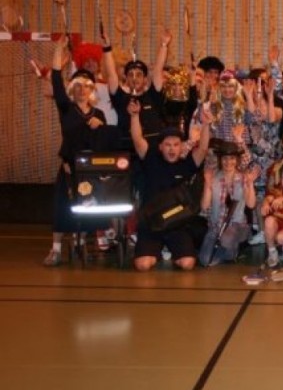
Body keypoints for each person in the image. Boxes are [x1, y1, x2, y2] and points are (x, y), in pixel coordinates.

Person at [42, 37, 120, 266]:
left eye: (87, 86)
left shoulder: (99, 114)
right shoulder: (66, 109)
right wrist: (58, 51)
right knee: (62, 208)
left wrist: (101, 127)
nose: (82, 89)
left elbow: (105, 142)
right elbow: (56, 80)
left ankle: (88, 238)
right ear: (72, 89)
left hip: (92, 170)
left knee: (93, 205)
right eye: (78, 86)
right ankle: (56, 249)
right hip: (69, 169)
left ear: (92, 90)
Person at [128, 98, 212, 271]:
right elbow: (137, 139)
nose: (172, 149)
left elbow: (203, 150)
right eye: (167, 145)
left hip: (176, 223)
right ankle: (156, 250)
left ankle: (171, 250)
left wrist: (206, 125)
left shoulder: (186, 164)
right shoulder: (151, 160)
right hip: (152, 222)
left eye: (176, 145)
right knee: (143, 265)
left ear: (181, 147)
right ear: (160, 147)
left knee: (187, 264)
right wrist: (135, 116)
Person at [198, 141, 257, 266]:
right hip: (216, 226)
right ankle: (225, 251)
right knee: (204, 260)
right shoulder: (213, 178)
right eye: (225, 158)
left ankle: (232, 251)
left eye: (232, 158)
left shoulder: (243, 178)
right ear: (220, 159)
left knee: (226, 239)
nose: (228, 162)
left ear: (237, 160)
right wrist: (207, 184)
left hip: (237, 226)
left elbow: (251, 204)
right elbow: (204, 206)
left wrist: (250, 184)